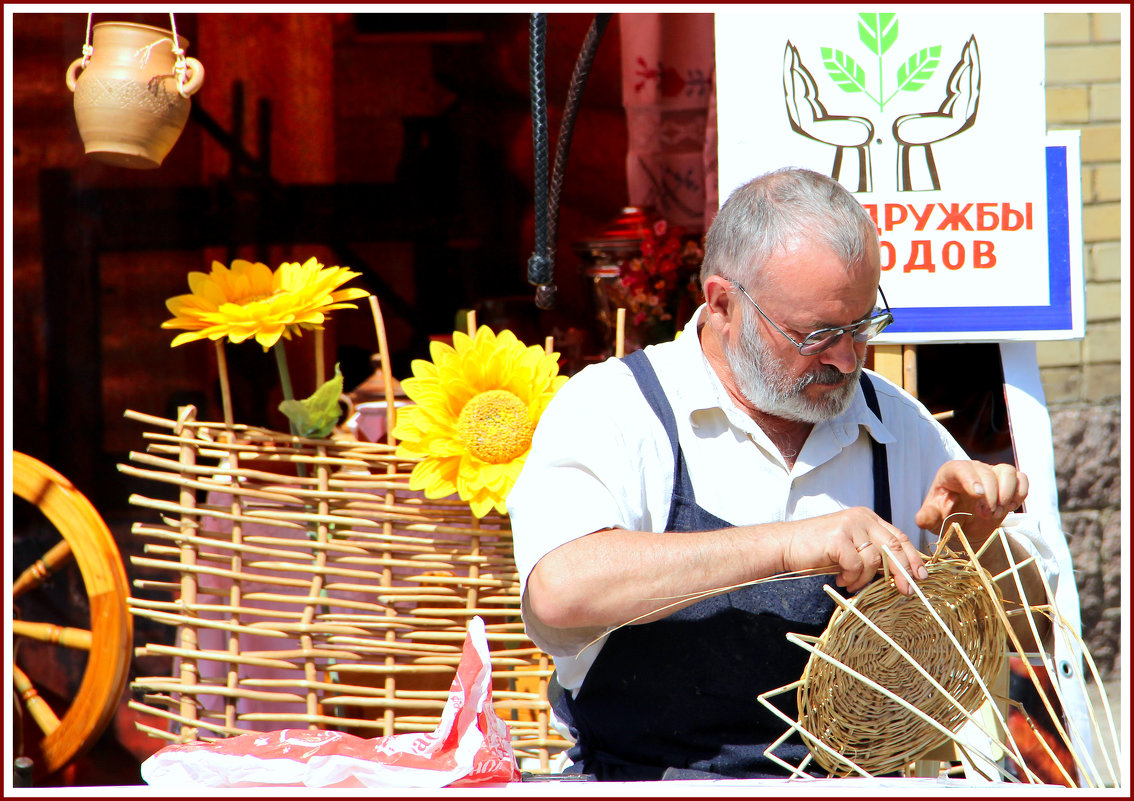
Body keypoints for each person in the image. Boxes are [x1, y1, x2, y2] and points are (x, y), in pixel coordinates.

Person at [506, 167, 1055, 781]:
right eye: (816, 334)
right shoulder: (618, 406)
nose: (846, 358)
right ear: (723, 304)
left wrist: (975, 541)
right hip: (643, 786)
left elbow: (1036, 623)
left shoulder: (893, 422)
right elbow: (560, 589)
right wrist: (787, 546)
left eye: (862, 326)